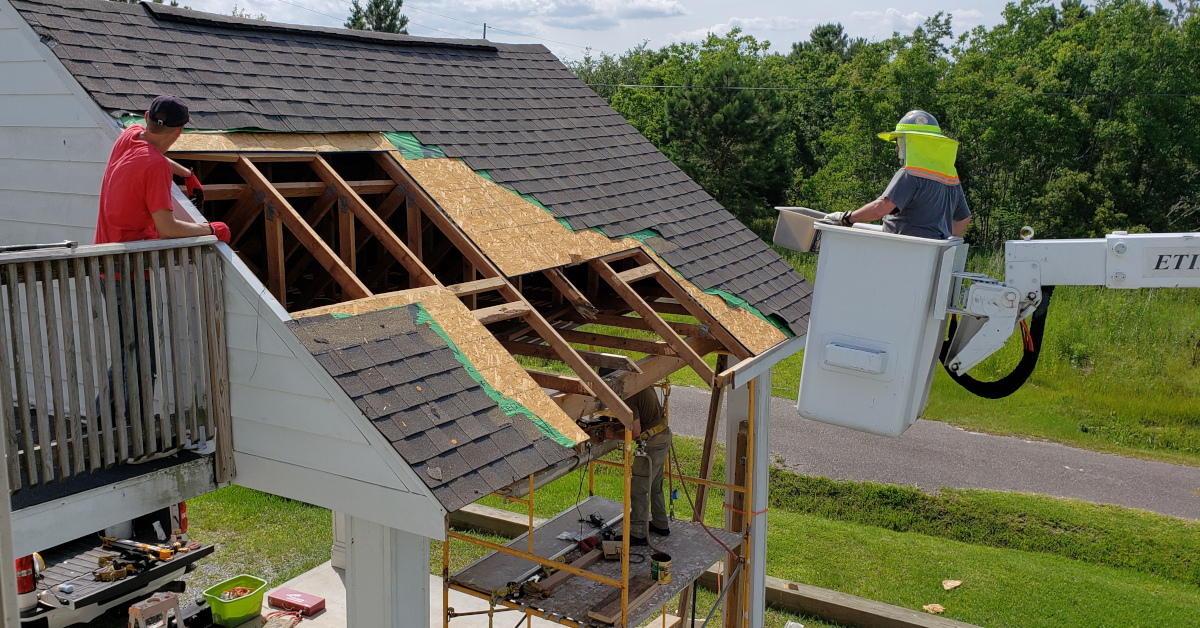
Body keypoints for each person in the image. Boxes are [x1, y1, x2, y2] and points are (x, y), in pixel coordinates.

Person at [95, 94, 229, 245]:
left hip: (105, 258)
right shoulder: (156, 166)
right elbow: (167, 230)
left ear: (146, 117)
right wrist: (211, 230)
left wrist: (186, 174)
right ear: (179, 130)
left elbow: (147, 157)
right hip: (131, 264)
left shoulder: (131, 134)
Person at [822, 110, 971, 240]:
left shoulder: (911, 174)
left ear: (911, 142)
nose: (896, 149)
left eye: (899, 141)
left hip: (901, 251)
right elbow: (964, 219)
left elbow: (881, 208)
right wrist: (939, 241)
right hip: (928, 254)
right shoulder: (951, 177)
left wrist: (847, 218)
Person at [603, 387, 672, 546]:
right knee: (655, 484)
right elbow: (640, 419)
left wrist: (613, 435)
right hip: (662, 436)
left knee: (638, 489)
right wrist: (619, 429)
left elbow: (635, 432)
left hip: (652, 443)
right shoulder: (641, 383)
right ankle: (661, 524)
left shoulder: (628, 394)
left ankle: (638, 533)